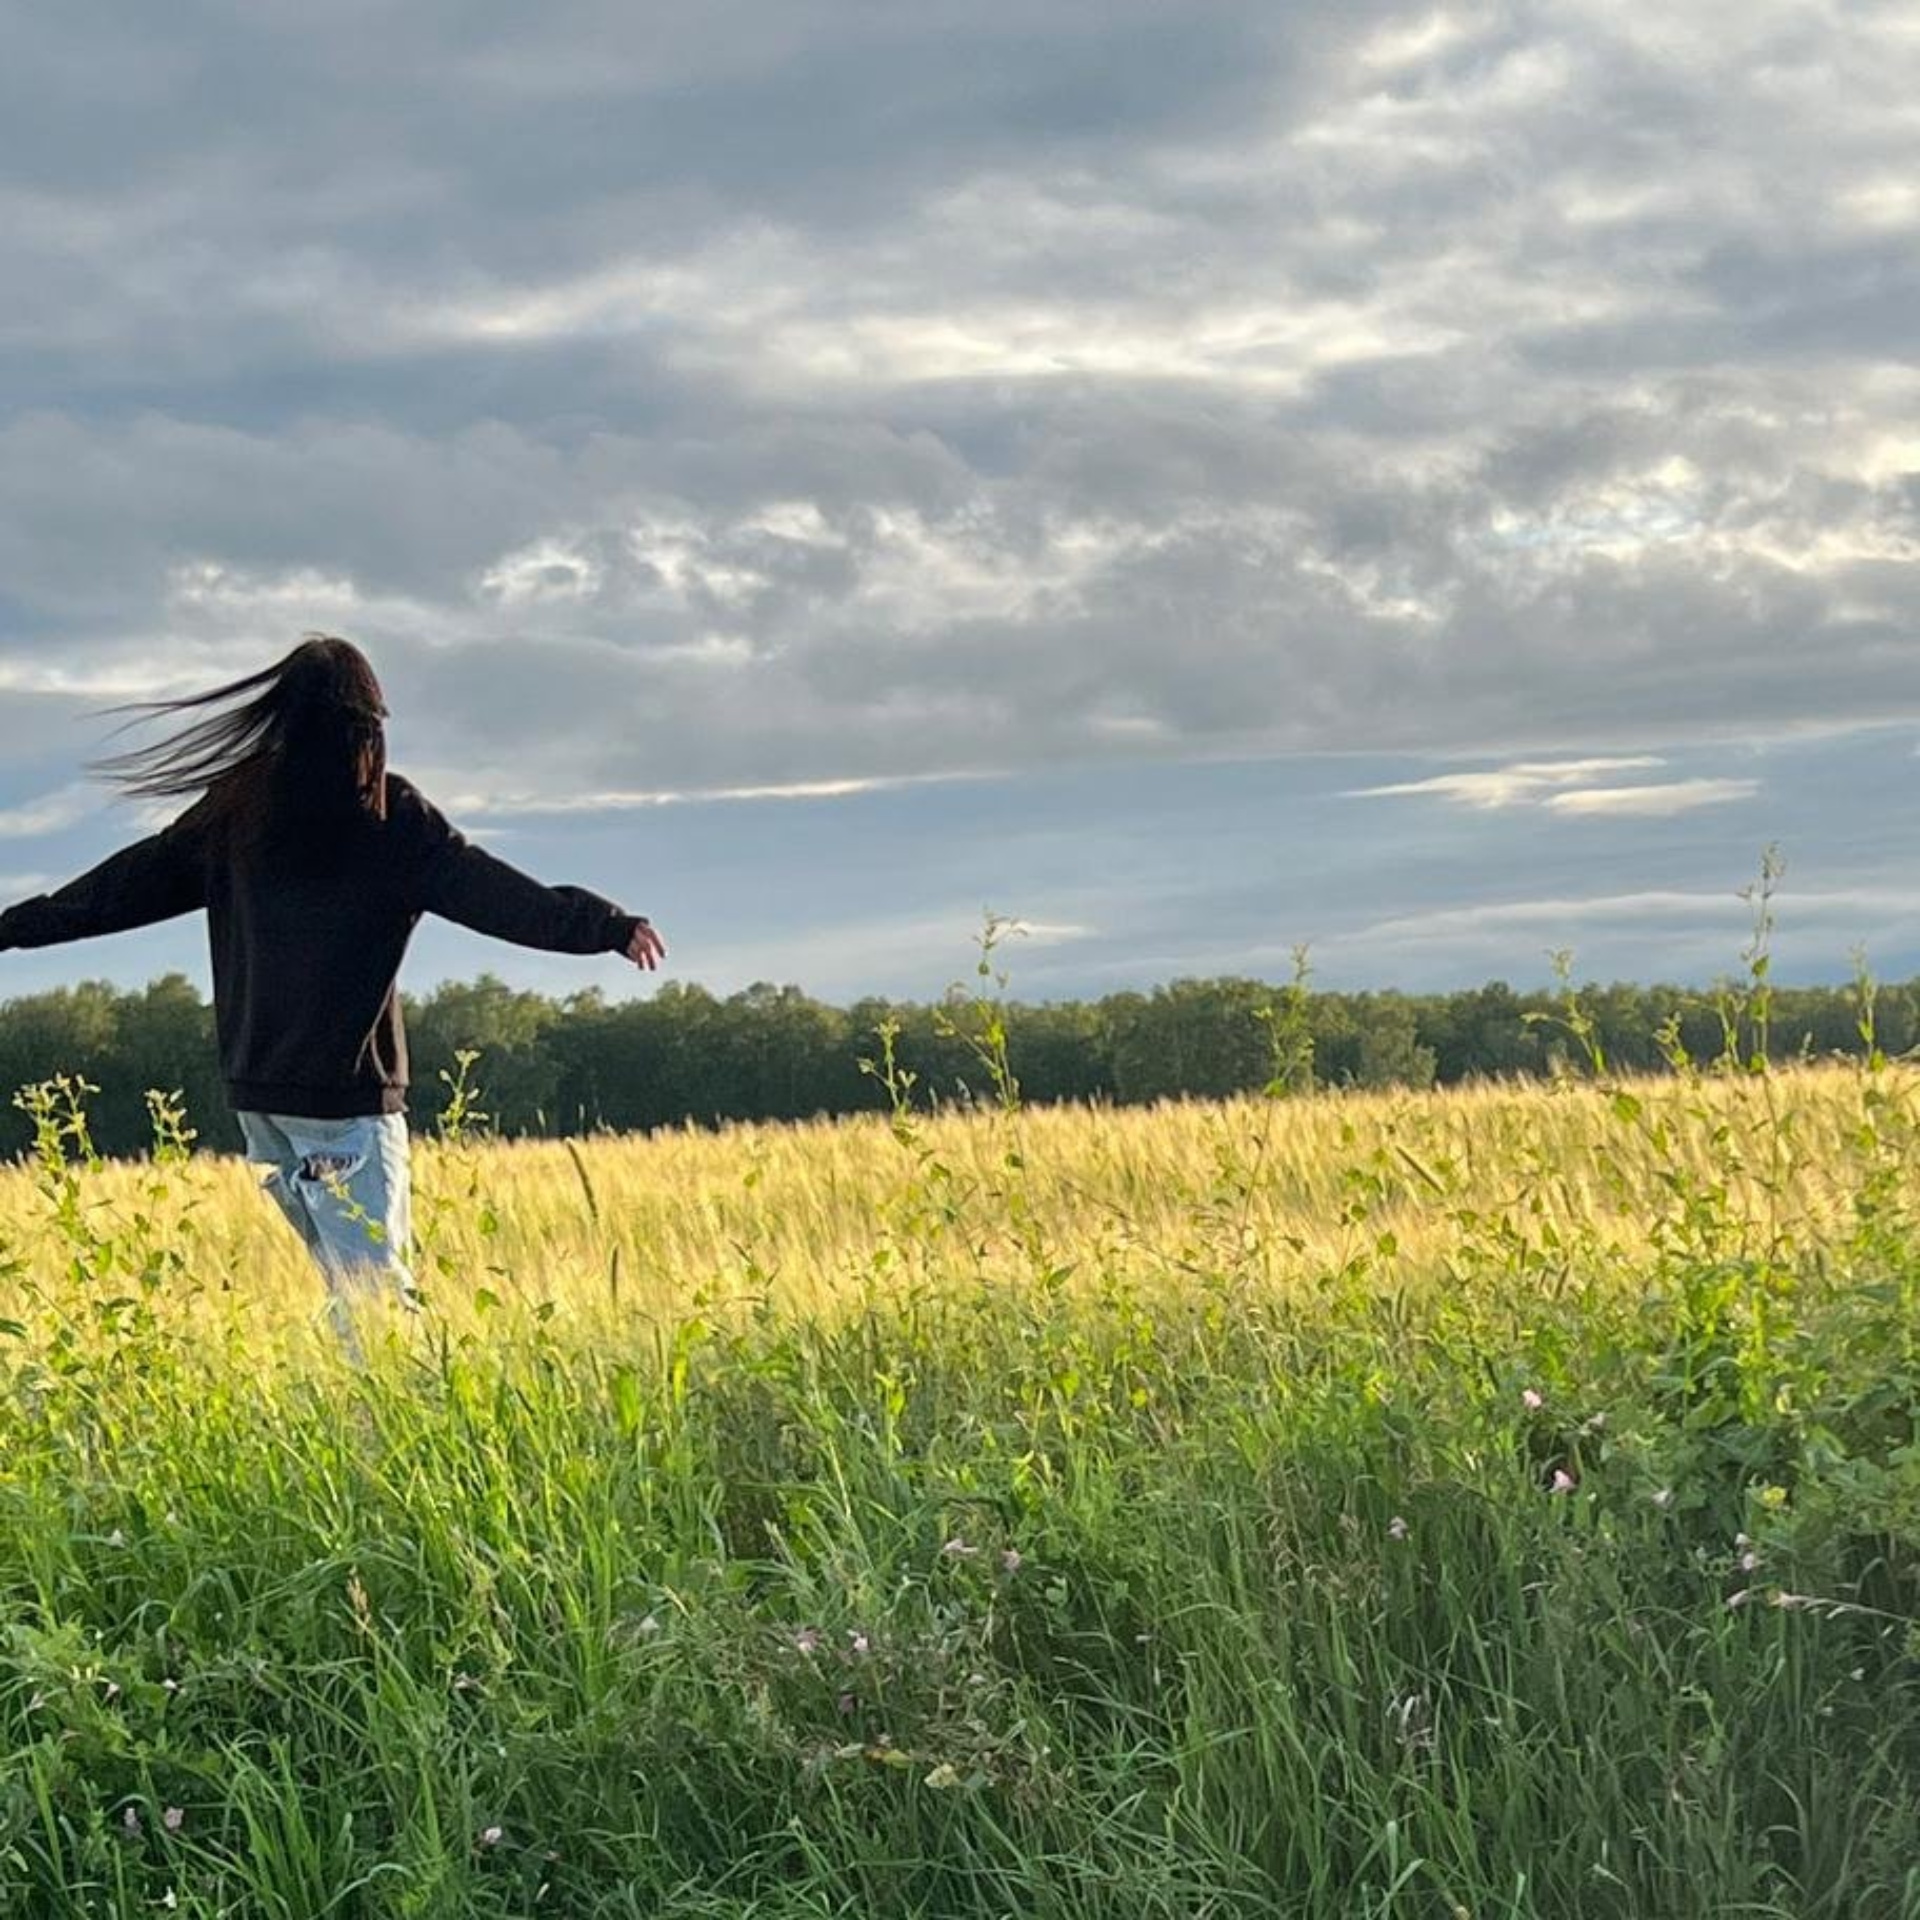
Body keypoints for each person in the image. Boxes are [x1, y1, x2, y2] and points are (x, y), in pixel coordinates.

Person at [0, 634, 666, 1344]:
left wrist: (14, 926)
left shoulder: (238, 809)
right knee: (376, 1309)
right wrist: (605, 926)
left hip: (263, 1104)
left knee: (354, 1295)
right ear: (368, 728)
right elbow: (498, 895)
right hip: (345, 1108)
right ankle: (388, 1445)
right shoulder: (388, 818)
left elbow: (120, 887)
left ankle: (348, 1431)